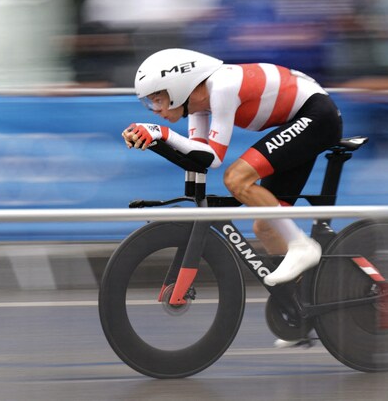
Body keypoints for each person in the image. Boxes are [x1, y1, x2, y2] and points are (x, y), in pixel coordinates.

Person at [122, 48, 342, 288]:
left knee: (237, 179)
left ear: (178, 89)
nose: (155, 109)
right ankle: (304, 295)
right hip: (300, 120)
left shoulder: (222, 87)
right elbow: (196, 154)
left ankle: (302, 246)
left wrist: (161, 133)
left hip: (318, 116)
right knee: (266, 227)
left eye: (157, 99)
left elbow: (213, 158)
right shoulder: (197, 105)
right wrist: (152, 138)